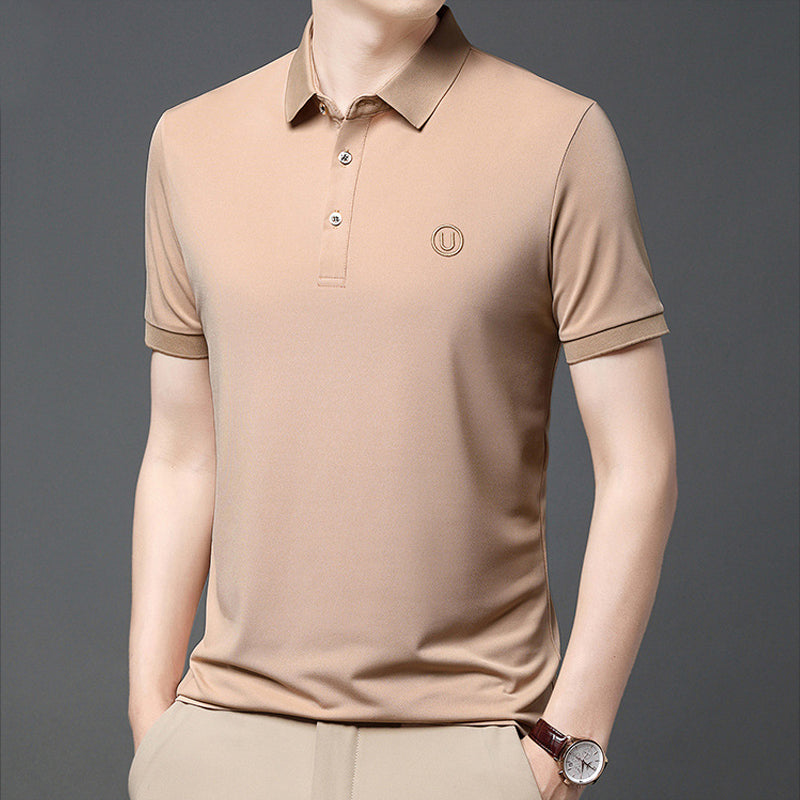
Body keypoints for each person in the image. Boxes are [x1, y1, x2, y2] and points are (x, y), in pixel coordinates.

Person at [127, 1, 678, 798]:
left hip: (471, 750)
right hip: (223, 748)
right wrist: (152, 718)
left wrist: (567, 743)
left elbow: (640, 465)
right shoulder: (189, 142)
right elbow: (182, 456)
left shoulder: (560, 137)